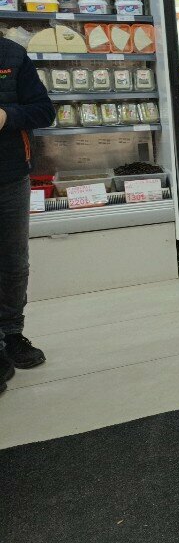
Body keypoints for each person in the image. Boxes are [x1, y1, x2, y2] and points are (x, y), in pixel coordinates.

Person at [0, 36, 55, 394]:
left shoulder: (12, 55)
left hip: (10, 178)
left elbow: (44, 111)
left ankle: (12, 335)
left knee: (15, 263)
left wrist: (8, 115)